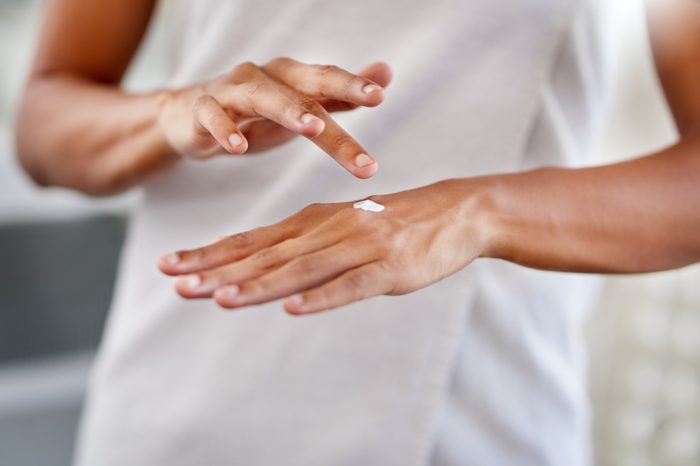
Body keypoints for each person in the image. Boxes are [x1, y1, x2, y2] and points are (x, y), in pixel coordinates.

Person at [15, 0, 700, 464]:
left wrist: (476, 210)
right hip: (172, 394)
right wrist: (168, 118)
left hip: (472, 417)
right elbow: (45, 123)